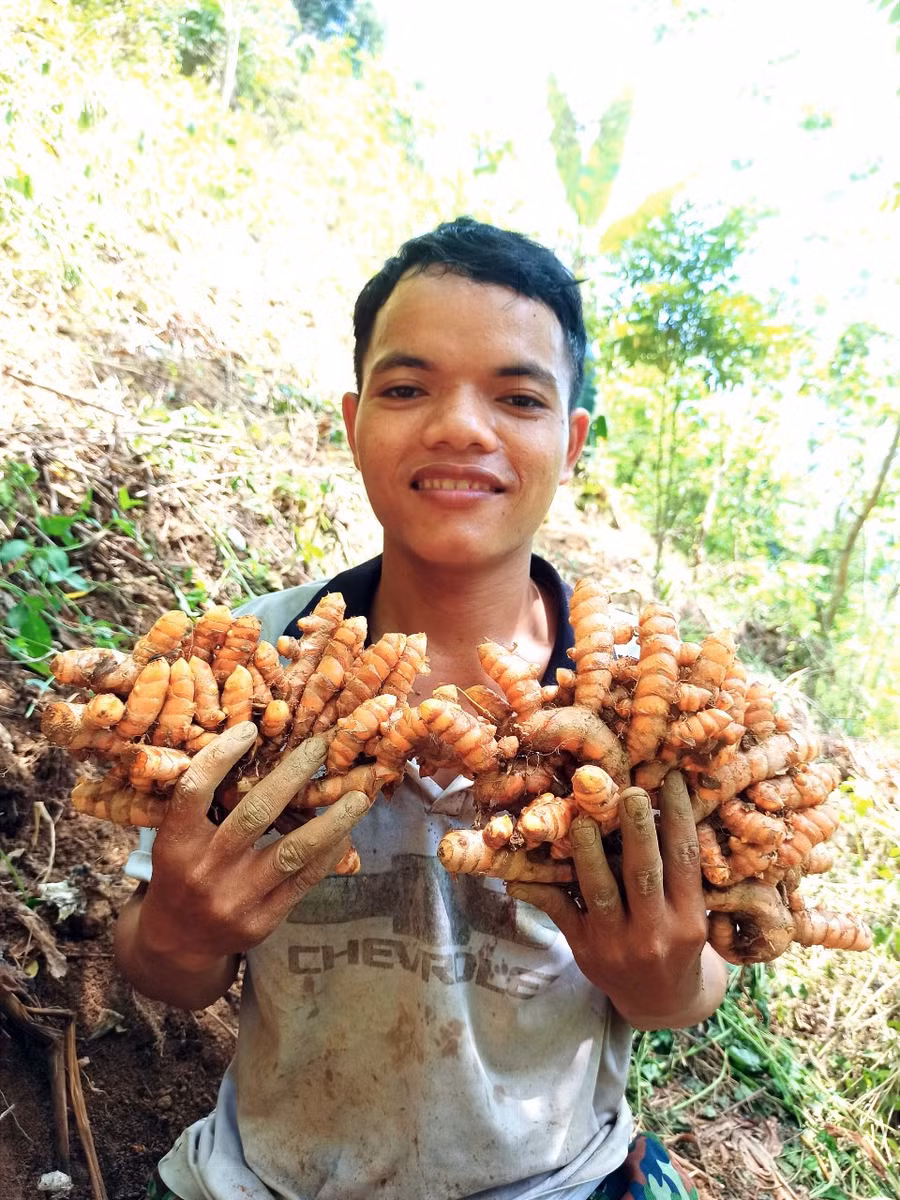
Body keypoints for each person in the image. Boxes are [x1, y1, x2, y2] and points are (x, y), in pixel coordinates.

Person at [116, 217, 728, 1200]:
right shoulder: (245, 666)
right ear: (355, 421)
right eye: (408, 389)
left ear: (568, 441)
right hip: (268, 1178)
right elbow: (167, 968)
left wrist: (664, 986)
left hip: (560, 1181)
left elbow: (698, 974)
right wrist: (181, 936)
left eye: (517, 397)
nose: (461, 427)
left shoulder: (642, 695)